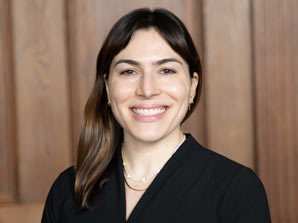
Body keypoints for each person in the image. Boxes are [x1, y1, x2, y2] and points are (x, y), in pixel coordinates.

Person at [41, 8, 271, 223]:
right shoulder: (68, 189)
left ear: (192, 86)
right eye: (129, 71)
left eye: (166, 70)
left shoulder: (236, 189)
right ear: (108, 87)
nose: (147, 89)